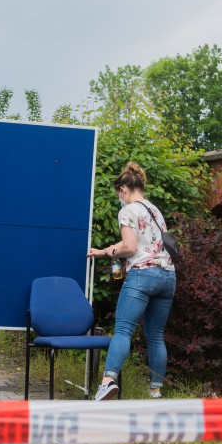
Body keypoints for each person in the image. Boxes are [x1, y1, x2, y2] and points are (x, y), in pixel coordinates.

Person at [88, 161, 177, 400]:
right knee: (156, 336)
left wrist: (116, 253)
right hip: (167, 276)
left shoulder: (127, 210)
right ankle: (156, 390)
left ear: (123, 189)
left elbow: (129, 247)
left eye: (119, 193)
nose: (120, 197)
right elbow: (144, 243)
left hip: (143, 276)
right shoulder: (154, 210)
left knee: (123, 331)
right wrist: (104, 251)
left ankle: (108, 381)